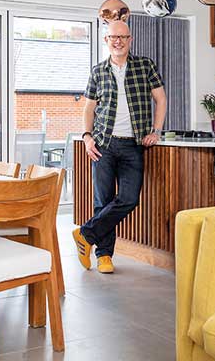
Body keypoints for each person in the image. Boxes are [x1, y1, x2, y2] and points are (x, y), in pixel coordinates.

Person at [72, 20, 167, 274]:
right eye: (114, 37)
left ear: (130, 39)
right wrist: (87, 136)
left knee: (129, 198)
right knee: (102, 200)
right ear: (106, 40)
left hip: (133, 144)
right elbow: (89, 108)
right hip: (103, 144)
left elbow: (160, 99)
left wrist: (156, 131)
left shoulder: (145, 66)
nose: (118, 41)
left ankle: (85, 234)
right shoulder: (98, 71)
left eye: (123, 37)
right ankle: (104, 256)